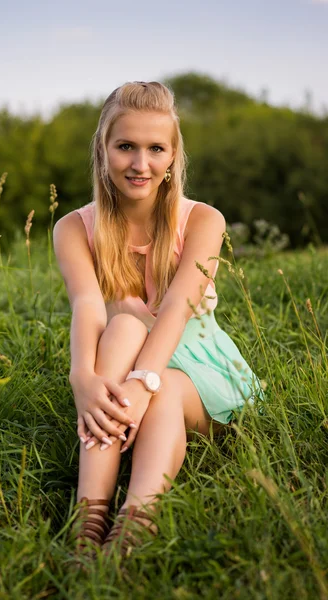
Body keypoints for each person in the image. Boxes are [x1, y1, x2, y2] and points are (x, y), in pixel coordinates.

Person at [53, 81, 264, 558]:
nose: (140, 163)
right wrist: (82, 377)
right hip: (123, 357)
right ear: (103, 149)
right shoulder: (73, 228)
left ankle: (136, 522)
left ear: (173, 156)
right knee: (123, 323)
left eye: (155, 149)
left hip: (198, 373)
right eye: (125, 146)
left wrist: (143, 381)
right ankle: (90, 516)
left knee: (164, 383)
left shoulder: (204, 220)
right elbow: (87, 306)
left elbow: (176, 310)